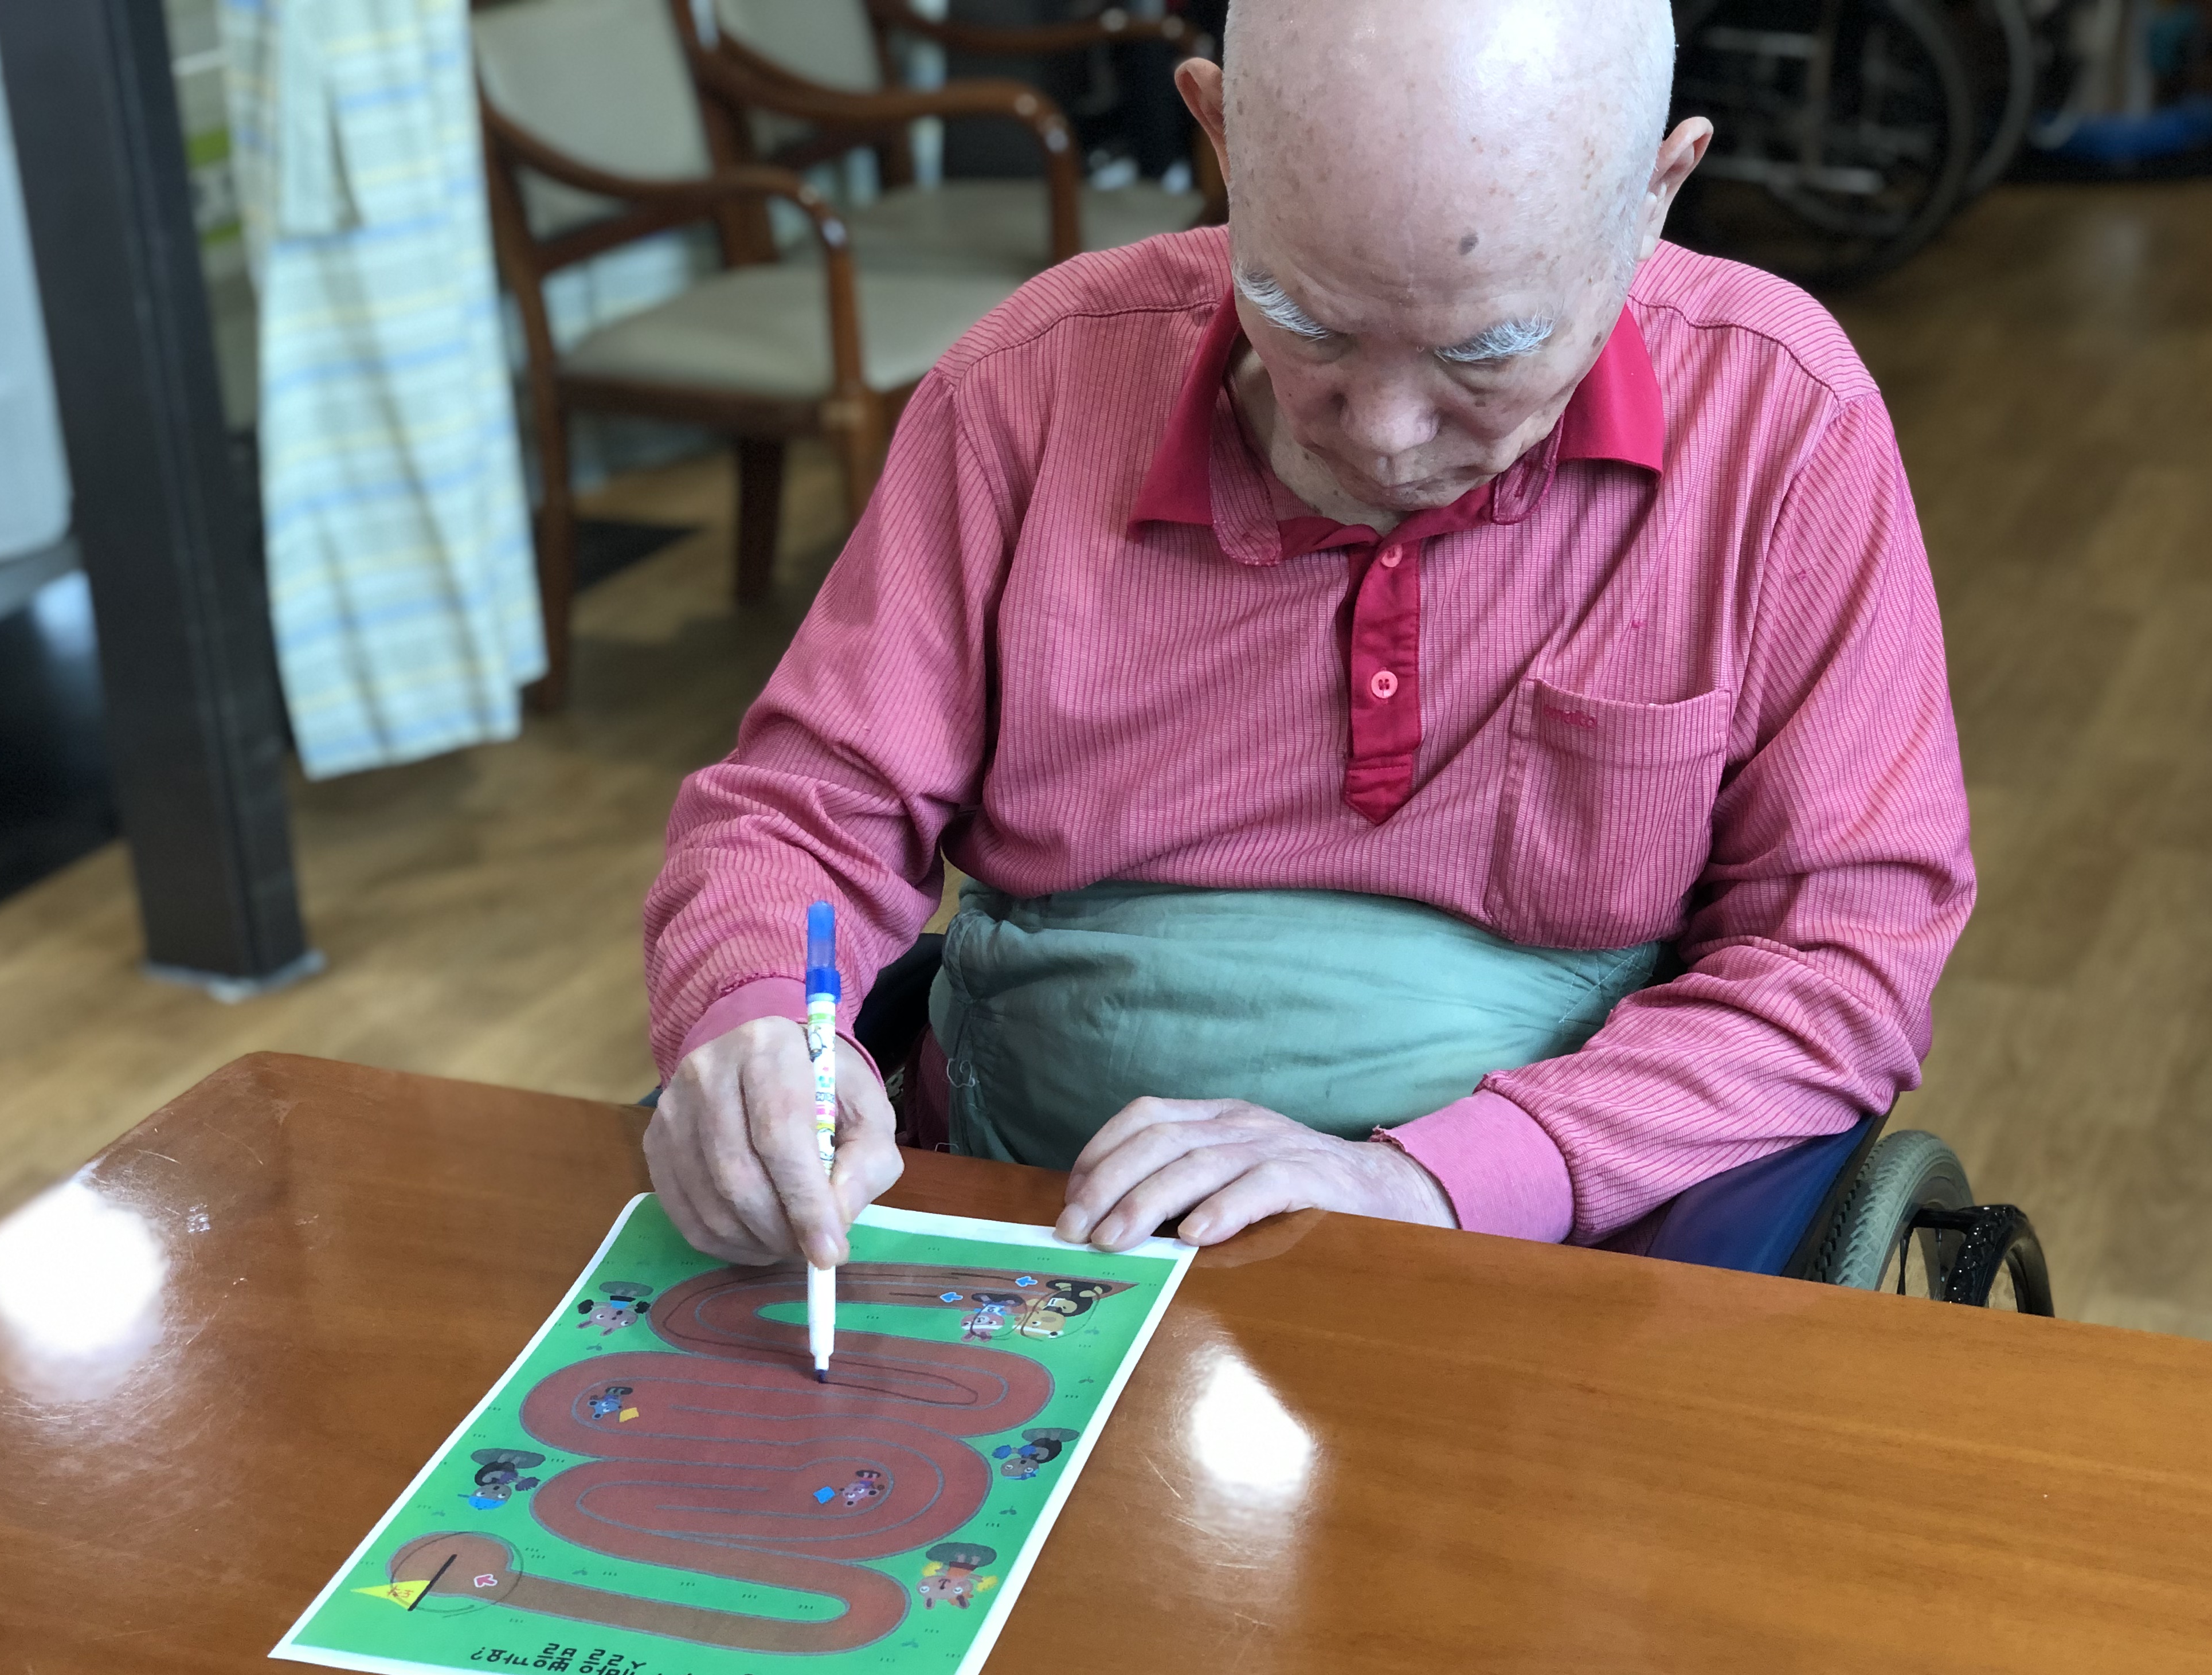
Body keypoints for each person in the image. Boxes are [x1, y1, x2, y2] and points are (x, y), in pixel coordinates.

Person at [640, 0, 1974, 1271]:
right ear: (1220, 134)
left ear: (1656, 194)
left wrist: (1427, 1182)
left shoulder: (1775, 420)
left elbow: (1840, 957)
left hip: (1542, 1265)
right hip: (1035, 1225)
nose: (1383, 435)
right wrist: (761, 1024)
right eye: (1307, 320)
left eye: (1486, 351)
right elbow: (804, 811)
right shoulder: (1030, 388)